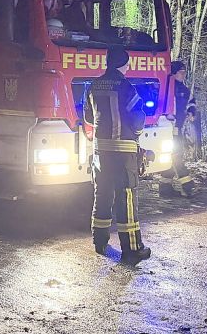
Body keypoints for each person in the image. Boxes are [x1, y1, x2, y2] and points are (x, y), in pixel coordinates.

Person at [84, 46, 151, 266]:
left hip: (100, 151)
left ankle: (99, 241)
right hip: (123, 151)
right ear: (124, 64)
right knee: (127, 198)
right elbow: (138, 115)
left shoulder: (93, 86)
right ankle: (132, 249)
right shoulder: (126, 86)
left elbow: (87, 115)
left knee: (102, 193)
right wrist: (137, 134)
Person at [159, 61, 196, 198]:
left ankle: (165, 188)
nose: (184, 74)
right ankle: (188, 187)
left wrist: (191, 111)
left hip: (178, 128)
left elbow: (191, 102)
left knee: (171, 157)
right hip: (168, 128)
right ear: (173, 73)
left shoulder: (184, 89)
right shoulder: (166, 87)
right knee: (176, 157)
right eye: (181, 72)